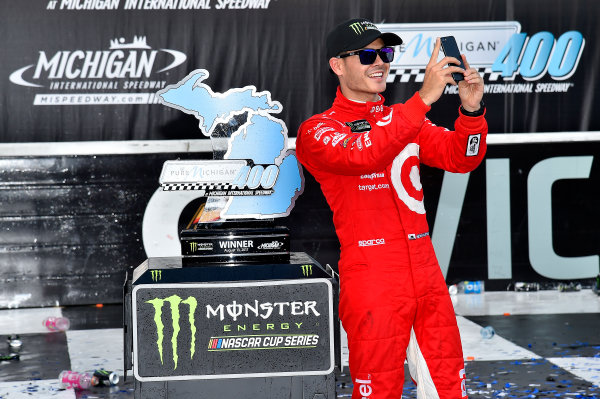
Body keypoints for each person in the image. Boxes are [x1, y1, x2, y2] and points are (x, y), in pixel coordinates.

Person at [295, 18, 487, 399]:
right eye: (367, 54)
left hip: (426, 271)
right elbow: (365, 155)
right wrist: (423, 101)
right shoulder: (317, 130)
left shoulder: (403, 118)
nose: (380, 62)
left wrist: (470, 111)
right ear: (338, 65)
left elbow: (461, 158)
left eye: (385, 53)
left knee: (449, 386)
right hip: (373, 276)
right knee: (378, 390)